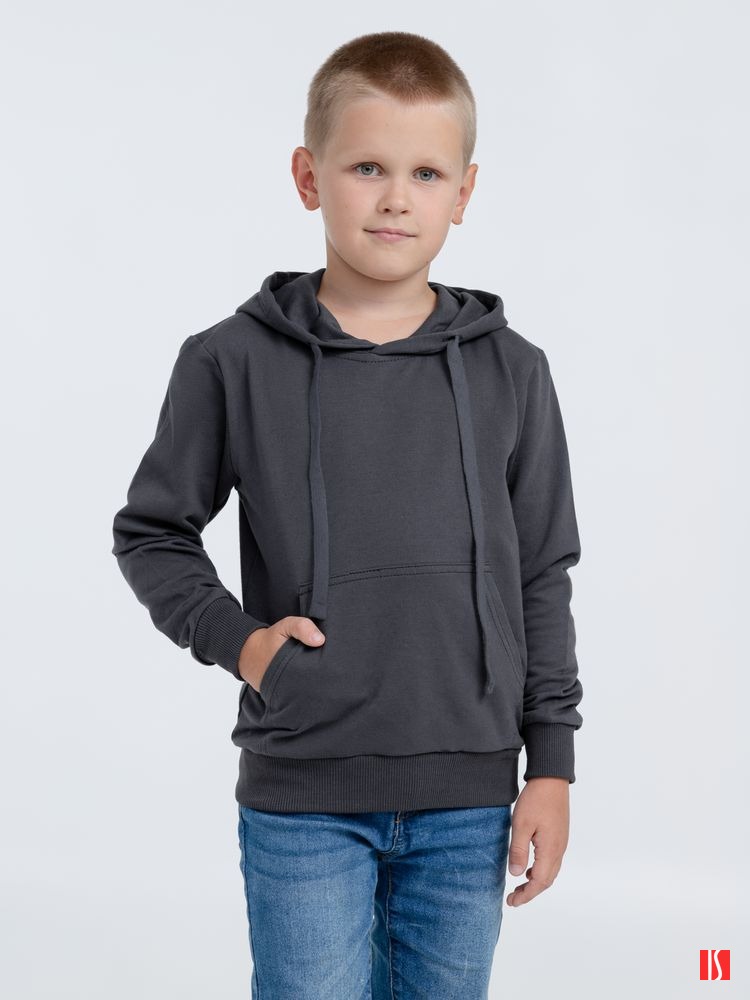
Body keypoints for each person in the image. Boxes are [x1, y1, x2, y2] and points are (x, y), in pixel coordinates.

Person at [111, 29, 584, 1000]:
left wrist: (553, 763)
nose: (396, 197)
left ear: (464, 192)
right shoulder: (231, 361)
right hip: (304, 797)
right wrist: (246, 646)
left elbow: (542, 570)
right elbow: (152, 534)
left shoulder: (513, 370)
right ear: (308, 176)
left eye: (425, 173)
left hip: (470, 798)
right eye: (368, 167)